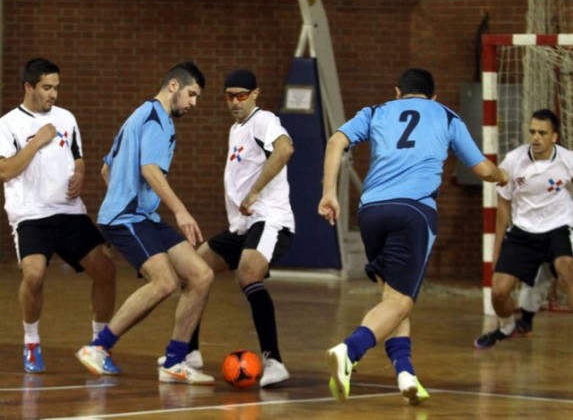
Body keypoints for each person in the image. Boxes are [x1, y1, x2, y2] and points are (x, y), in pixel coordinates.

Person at [318, 68, 508, 403]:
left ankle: (406, 374)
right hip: (413, 213)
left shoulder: (376, 112)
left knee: (392, 298)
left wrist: (329, 193)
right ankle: (348, 351)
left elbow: (336, 141)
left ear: (397, 92)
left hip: (371, 211)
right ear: (433, 96)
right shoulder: (446, 115)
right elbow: (482, 169)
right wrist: (502, 175)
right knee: (400, 301)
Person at [75, 61, 215, 385]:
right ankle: (98, 347)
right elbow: (149, 170)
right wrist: (180, 211)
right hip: (128, 218)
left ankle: (175, 361)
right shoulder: (156, 119)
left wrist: (121, 196)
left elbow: (106, 169)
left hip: (141, 216)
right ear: (173, 86)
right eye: (192, 94)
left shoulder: (140, 115)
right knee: (165, 282)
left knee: (201, 275)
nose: (194, 103)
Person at [158, 69, 295, 387]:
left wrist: (255, 191)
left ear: (255, 95)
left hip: (270, 219)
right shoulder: (237, 129)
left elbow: (285, 149)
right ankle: (189, 352)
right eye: (229, 96)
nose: (235, 102)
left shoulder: (263, 120)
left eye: (241, 96)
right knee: (194, 271)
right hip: (242, 227)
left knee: (248, 274)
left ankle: (274, 361)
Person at [0, 58, 116, 373]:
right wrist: (37, 141)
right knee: (34, 276)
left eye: (56, 88)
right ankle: (31, 342)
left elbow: (78, 157)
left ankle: (99, 346)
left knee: (105, 268)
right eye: (47, 87)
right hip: (30, 215)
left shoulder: (66, 118)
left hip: (68, 212)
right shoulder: (8, 124)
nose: (53, 94)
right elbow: (5, 170)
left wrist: (80, 173)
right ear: (29, 87)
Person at [474, 108, 573, 349]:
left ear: (554, 137)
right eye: (532, 132)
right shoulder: (514, 160)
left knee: (567, 269)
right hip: (523, 232)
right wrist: (497, 249)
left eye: (542, 133)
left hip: (559, 228)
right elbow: (503, 205)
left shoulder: (568, 159)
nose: (536, 138)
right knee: (498, 292)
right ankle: (508, 327)